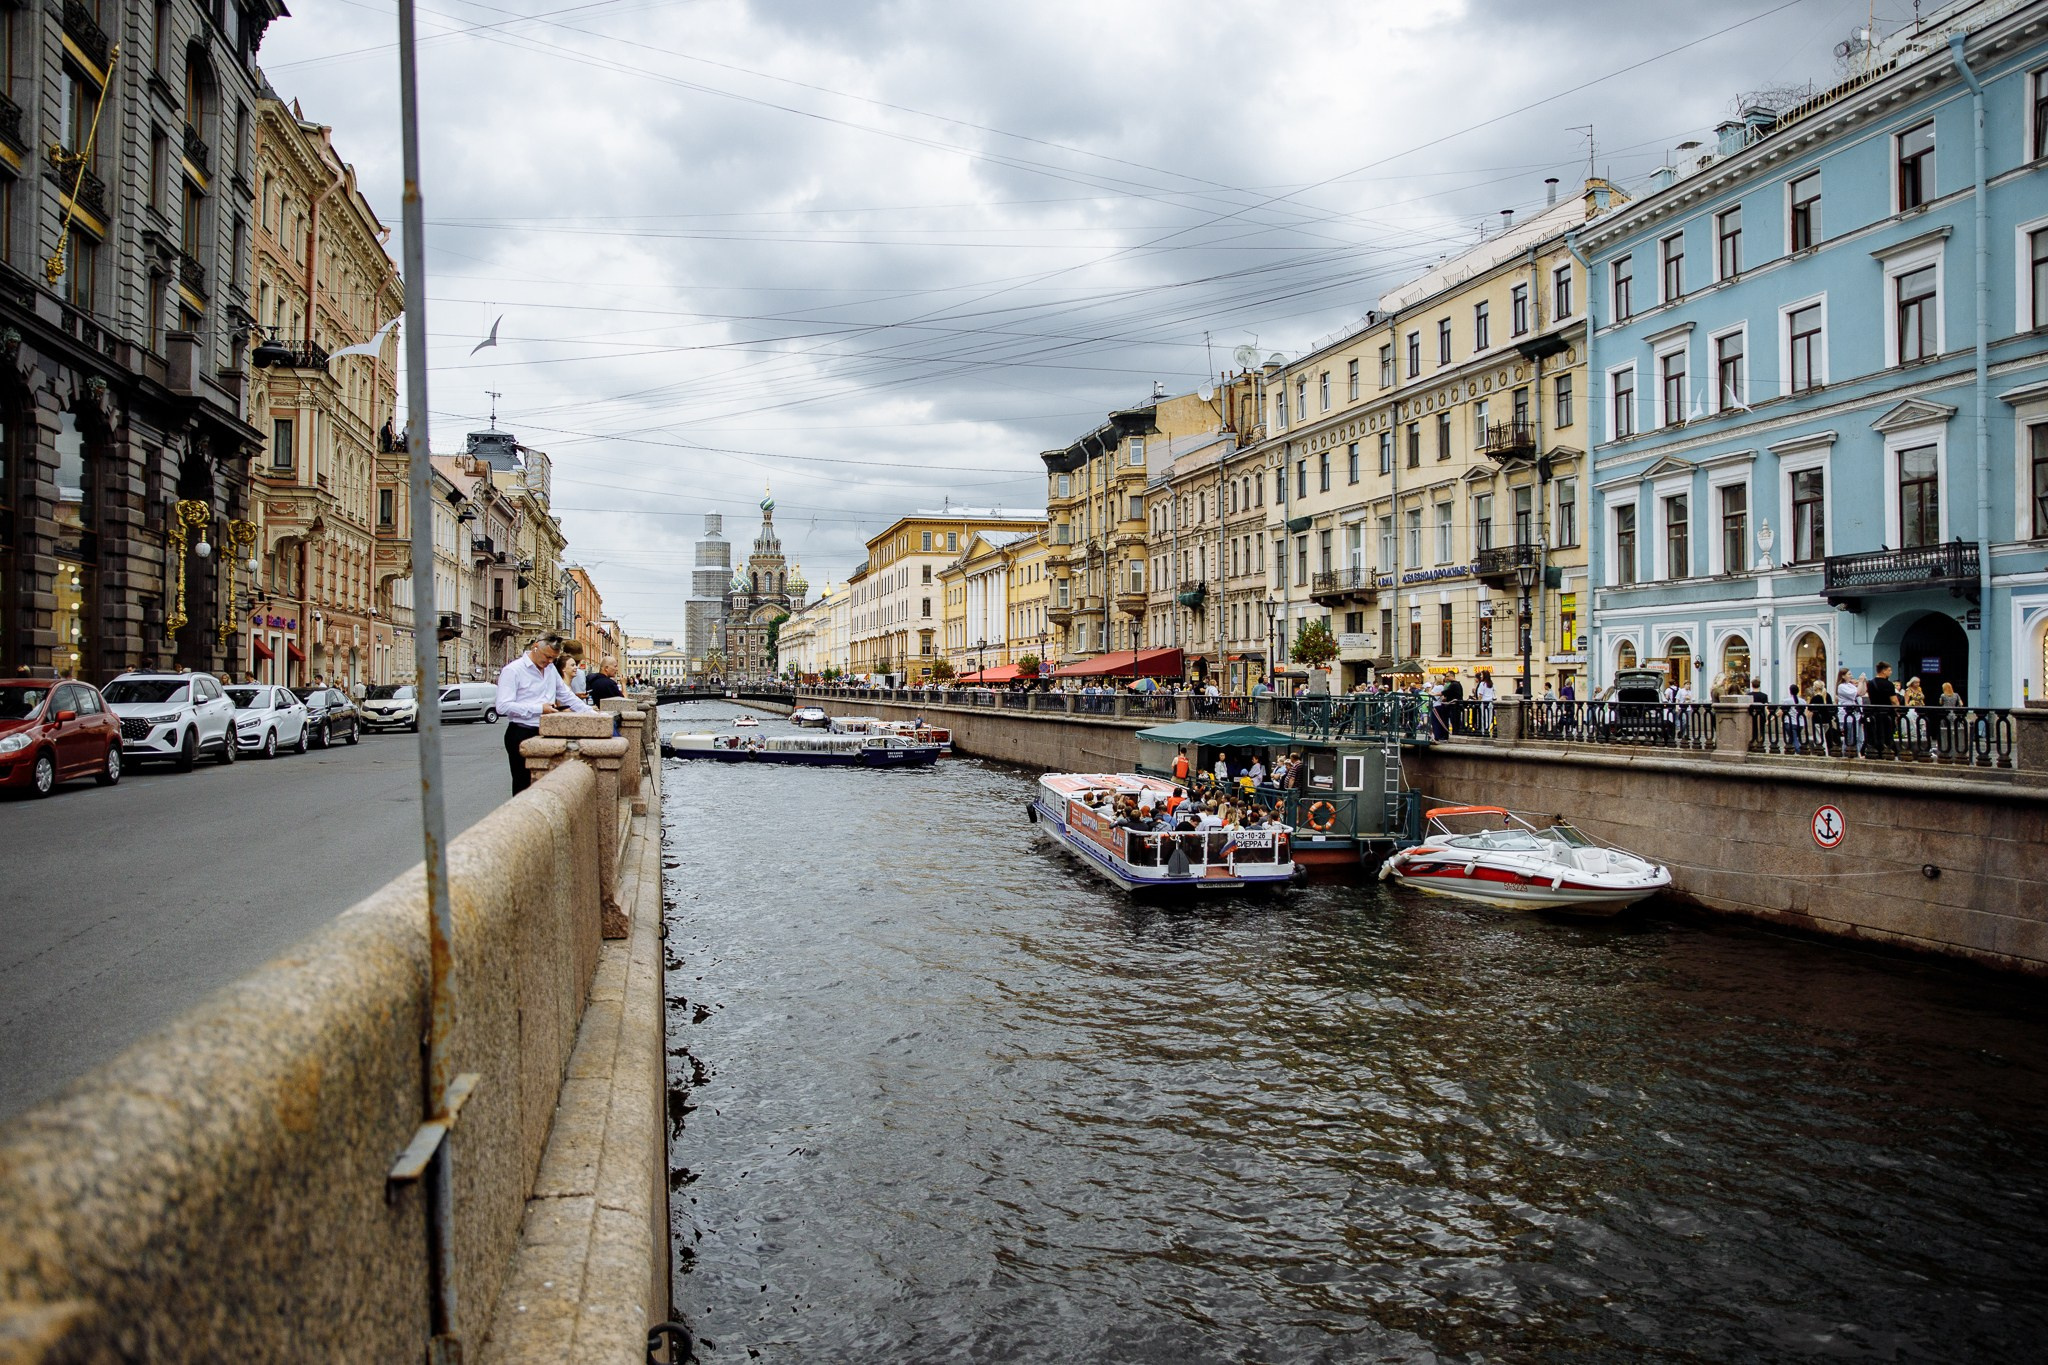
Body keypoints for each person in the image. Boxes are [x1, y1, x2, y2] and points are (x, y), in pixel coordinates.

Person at [496, 634, 596, 794]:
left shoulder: (549, 669)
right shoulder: (513, 670)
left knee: (547, 785)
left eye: (553, 659)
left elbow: (566, 695)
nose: (550, 662)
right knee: (524, 784)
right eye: (547, 657)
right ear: (536, 647)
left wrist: (592, 714)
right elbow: (502, 706)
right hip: (522, 732)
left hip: (547, 732)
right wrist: (539, 708)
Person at [1865, 661, 1898, 759]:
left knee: (1877, 732)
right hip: (1887, 712)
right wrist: (1898, 711)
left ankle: (1876, 750)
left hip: (1875, 712)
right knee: (1888, 732)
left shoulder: (1871, 683)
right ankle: (1888, 750)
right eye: (1889, 670)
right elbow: (1894, 700)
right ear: (1883, 671)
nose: (1890, 672)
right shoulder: (1889, 684)